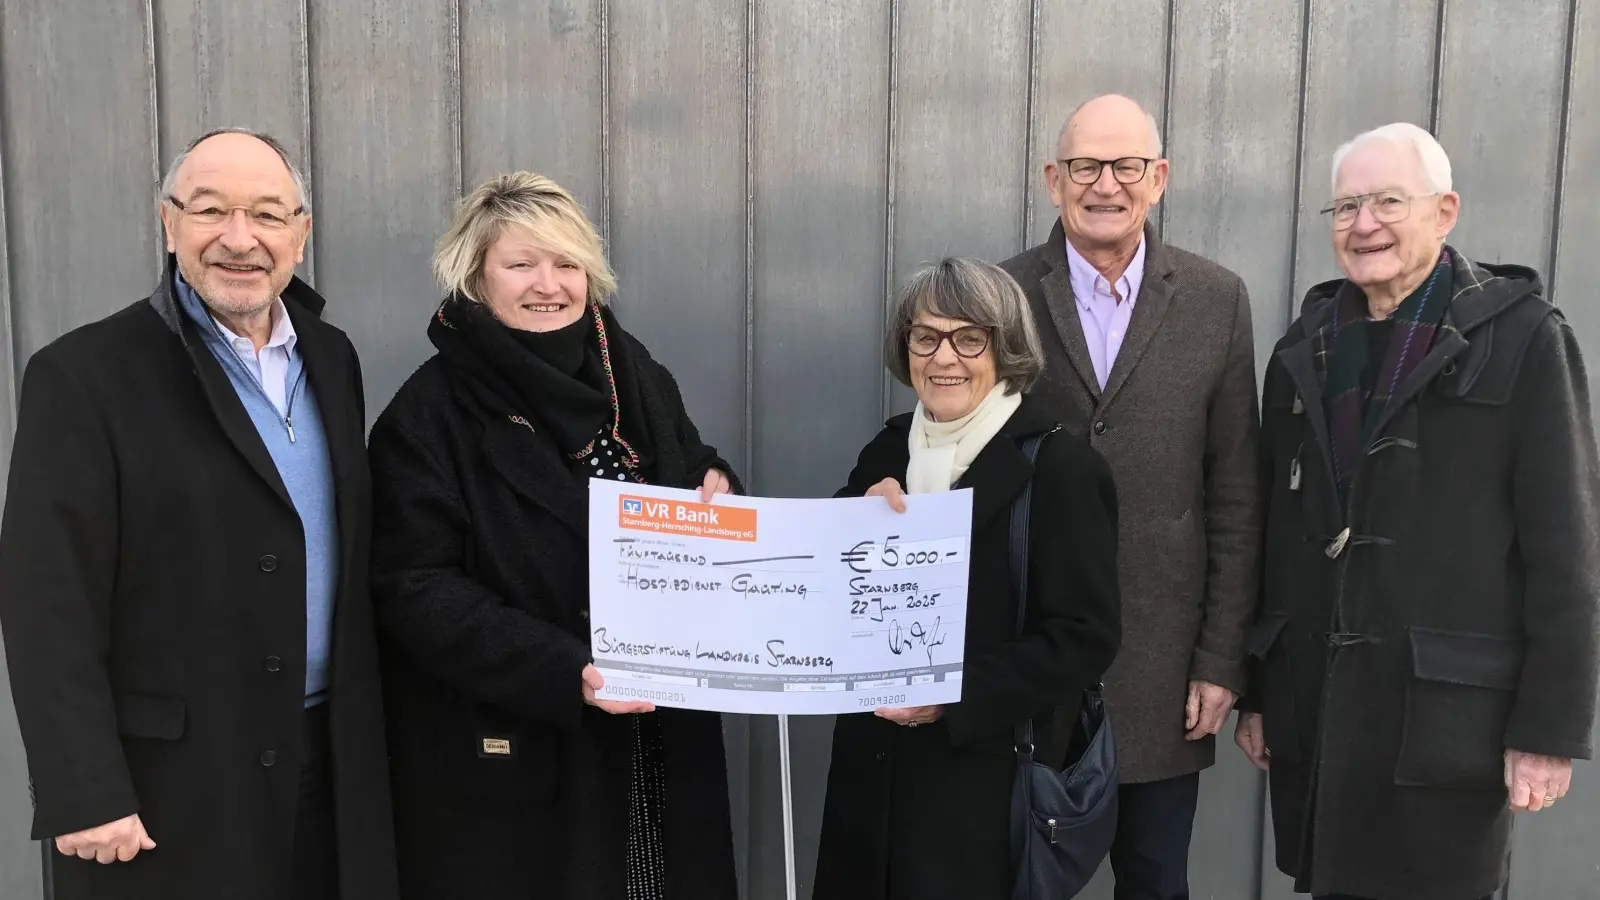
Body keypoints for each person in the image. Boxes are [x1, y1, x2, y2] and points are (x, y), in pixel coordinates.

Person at [0, 129, 398, 900]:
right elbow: (47, 602)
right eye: (210, 210)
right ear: (168, 222)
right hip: (166, 789)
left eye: (267, 215)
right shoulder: (83, 376)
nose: (239, 239)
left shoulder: (332, 356)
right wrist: (85, 789)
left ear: (301, 232)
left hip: (326, 761)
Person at [1235, 122, 1600, 900]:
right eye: (1344, 208)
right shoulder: (1307, 347)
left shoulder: (1528, 341)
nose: (1363, 224)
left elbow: (1568, 550)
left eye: (1388, 201)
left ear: (1446, 210)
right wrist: (1263, 691)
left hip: (1445, 719)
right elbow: (1278, 538)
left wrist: (1548, 731)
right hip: (1320, 713)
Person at [367, 172, 741, 900]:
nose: (549, 284)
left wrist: (716, 483)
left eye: (567, 262)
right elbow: (414, 588)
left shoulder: (633, 373)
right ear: (475, 274)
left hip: (658, 731)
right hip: (526, 745)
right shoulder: (429, 414)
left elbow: (686, 467)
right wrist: (563, 668)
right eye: (521, 263)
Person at [999, 94, 1262, 899]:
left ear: (1159, 179)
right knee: (1018, 879)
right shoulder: (1000, 294)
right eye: (1085, 165)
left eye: (1126, 166)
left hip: (1162, 671)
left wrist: (1221, 658)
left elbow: (1236, 496)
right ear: (1054, 179)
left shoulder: (1217, 300)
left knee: (1153, 881)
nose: (1104, 184)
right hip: (1031, 655)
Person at [812, 257, 1121, 900]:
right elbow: (833, 589)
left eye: (969, 338)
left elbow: (1083, 637)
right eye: (925, 336)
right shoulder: (889, 447)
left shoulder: (1060, 467)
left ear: (1005, 349)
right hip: (872, 781)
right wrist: (850, 520)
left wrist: (951, 697)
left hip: (982, 781)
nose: (943, 356)